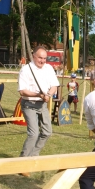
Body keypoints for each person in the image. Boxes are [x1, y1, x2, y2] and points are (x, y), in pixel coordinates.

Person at [17, 46, 60, 175]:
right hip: (29, 103)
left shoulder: (48, 68)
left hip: (42, 104)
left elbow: (54, 85)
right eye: (40, 58)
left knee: (47, 132)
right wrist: (39, 95)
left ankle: (33, 156)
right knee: (33, 133)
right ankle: (23, 164)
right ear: (33, 56)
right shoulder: (25, 70)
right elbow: (22, 91)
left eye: (45, 58)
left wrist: (49, 94)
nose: (42, 61)